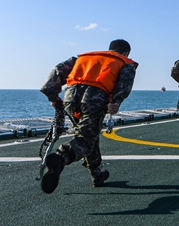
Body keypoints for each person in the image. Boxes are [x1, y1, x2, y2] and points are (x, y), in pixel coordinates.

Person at [39, 39, 137, 193]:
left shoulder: (82, 58)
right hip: (94, 98)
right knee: (86, 139)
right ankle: (61, 158)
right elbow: (125, 82)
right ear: (126, 53)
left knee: (89, 135)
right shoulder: (124, 62)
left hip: (70, 96)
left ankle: (97, 174)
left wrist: (53, 96)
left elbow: (58, 71)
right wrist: (116, 102)